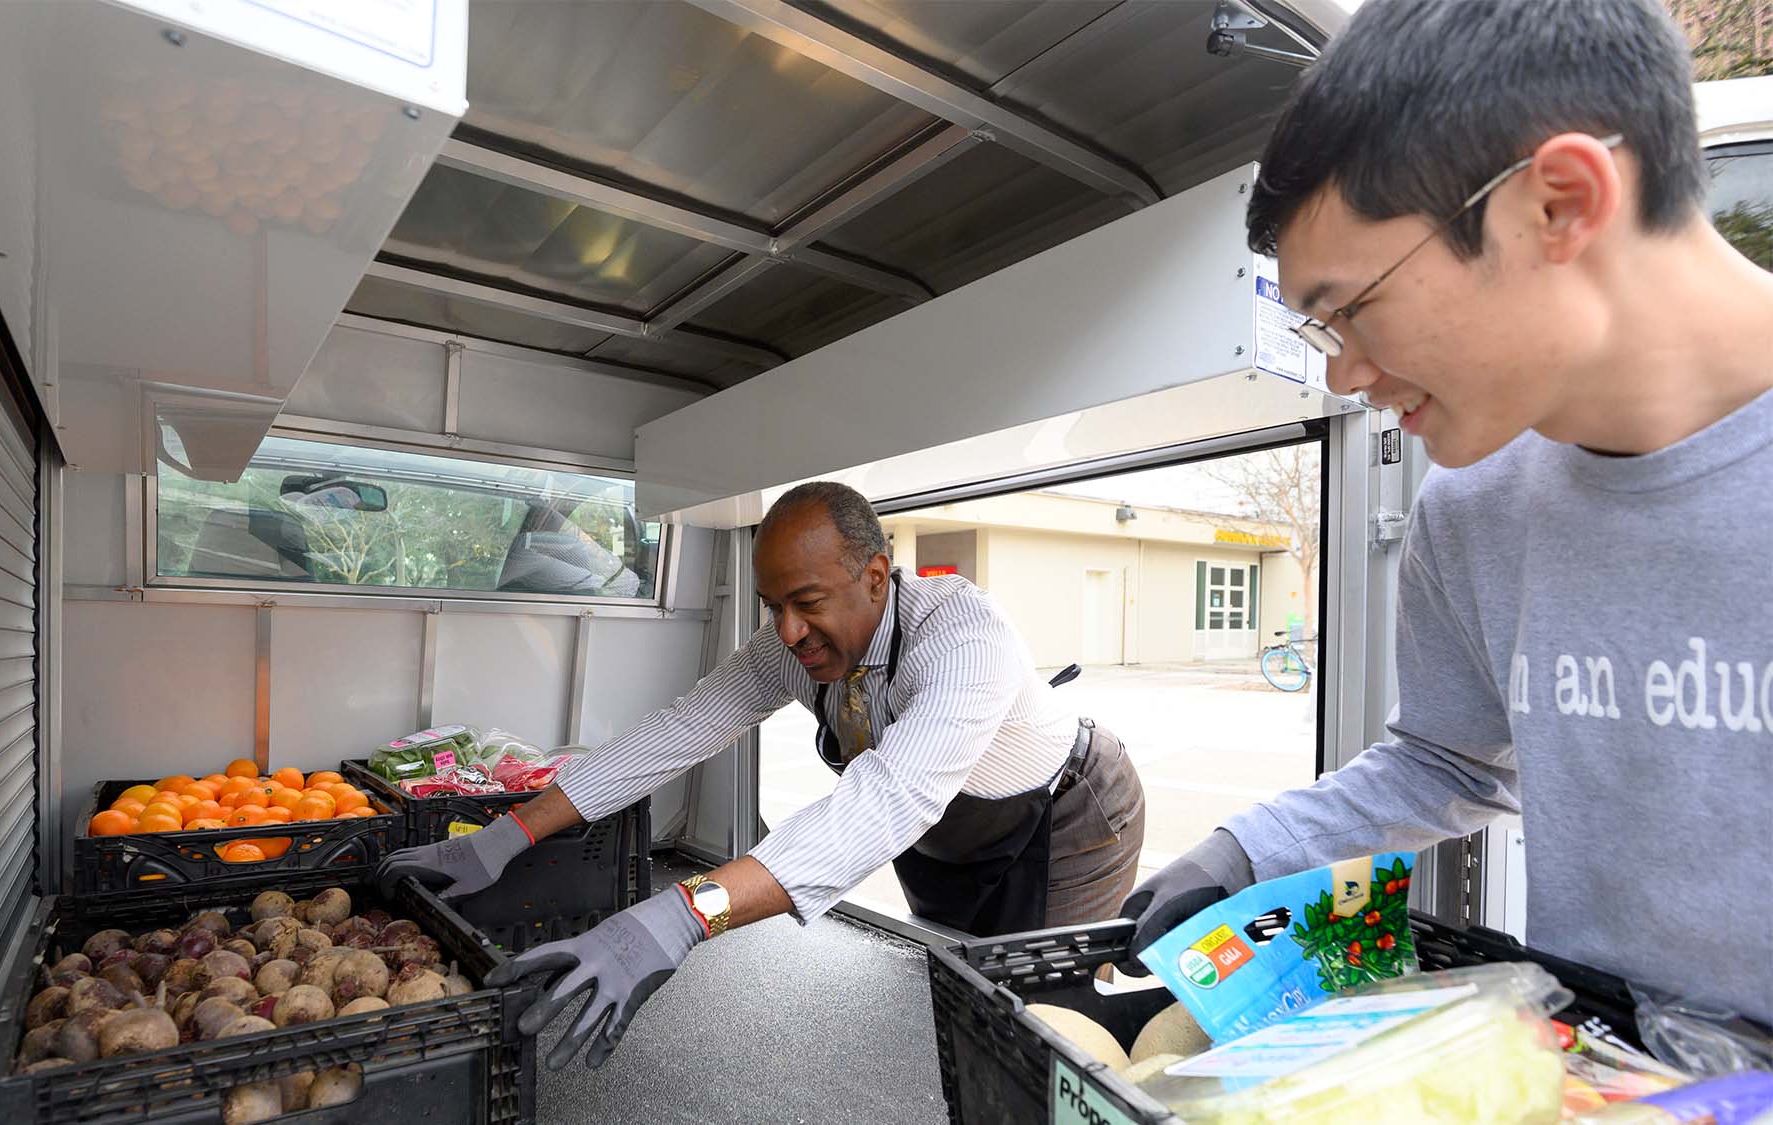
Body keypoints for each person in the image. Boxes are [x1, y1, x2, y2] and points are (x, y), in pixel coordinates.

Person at [1116, 0, 1773, 1027]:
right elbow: (1447, 758)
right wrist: (1244, 852)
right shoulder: (1473, 506)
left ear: (1557, 204)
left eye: (1351, 307)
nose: (1343, 372)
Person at [377, 481, 1146, 1068]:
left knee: (1043, 1025)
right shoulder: (794, 641)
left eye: (806, 602)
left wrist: (682, 913)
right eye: (773, 604)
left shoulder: (963, 636)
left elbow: (885, 799)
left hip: (1068, 815)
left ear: (876, 576)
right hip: (949, 831)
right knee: (967, 1003)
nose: (787, 631)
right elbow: (682, 729)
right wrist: (508, 832)